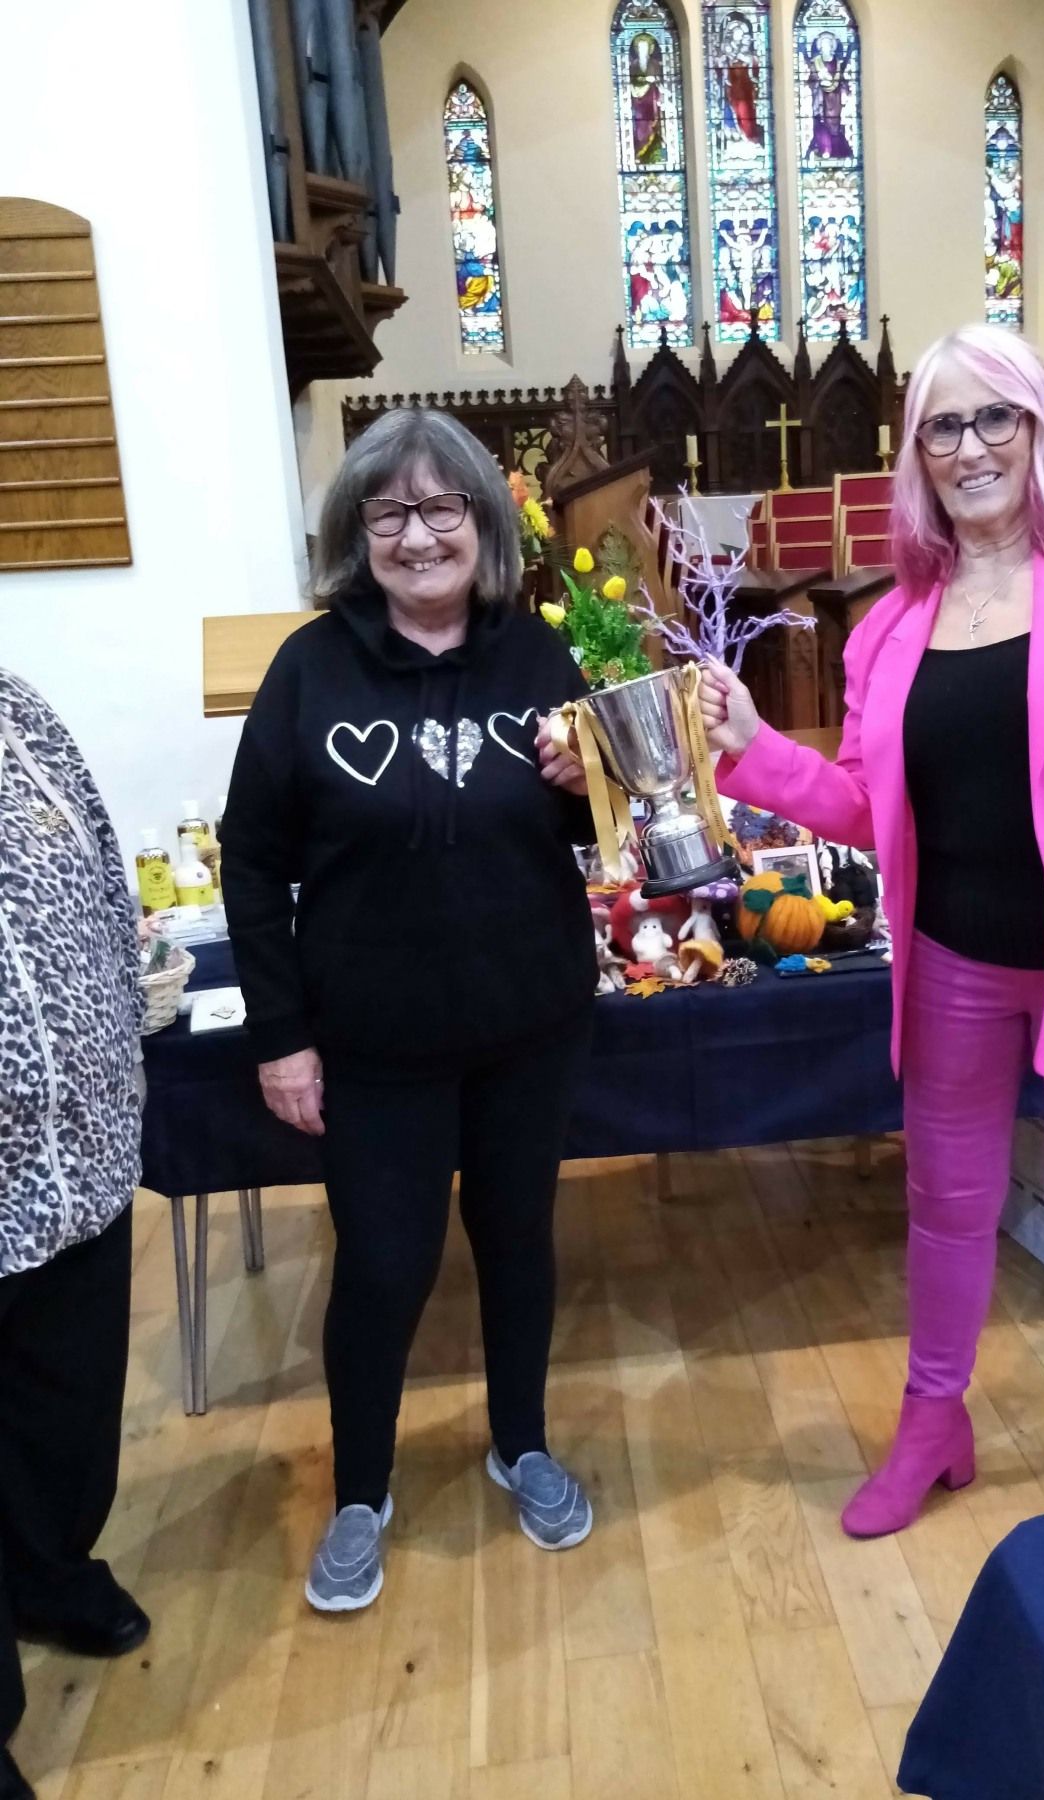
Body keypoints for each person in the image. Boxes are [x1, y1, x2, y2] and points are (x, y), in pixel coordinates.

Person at [700, 323, 1044, 1537]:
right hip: (950, 959)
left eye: (995, 416)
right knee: (944, 1207)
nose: (971, 445)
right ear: (918, 455)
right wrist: (751, 749)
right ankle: (931, 1419)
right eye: (943, 426)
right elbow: (866, 805)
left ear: (1041, 426)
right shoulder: (891, 625)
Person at [222, 408, 598, 1614]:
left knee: (520, 1249)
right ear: (358, 534)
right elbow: (249, 860)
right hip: (373, 1045)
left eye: (444, 510)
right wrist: (279, 1031)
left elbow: (616, 824)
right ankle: (361, 1491)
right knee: (384, 1268)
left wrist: (590, 785)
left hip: (523, 1027)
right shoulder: (309, 670)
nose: (419, 534)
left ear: (485, 527)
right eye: (391, 514)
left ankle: (521, 1444)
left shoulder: (539, 658)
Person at [0, 670, 150, 1800]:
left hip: (77, 1154)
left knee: (66, 1393)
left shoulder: (19, 708)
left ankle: (46, 1570)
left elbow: (102, 871)